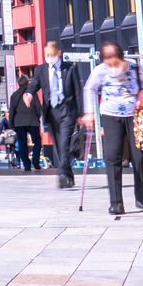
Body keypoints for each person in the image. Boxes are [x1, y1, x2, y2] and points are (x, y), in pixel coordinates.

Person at [82, 40, 143, 216]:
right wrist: (89, 112)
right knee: (112, 157)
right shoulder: (99, 71)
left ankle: (142, 199)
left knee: (139, 157)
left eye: (116, 63)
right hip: (110, 116)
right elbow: (89, 89)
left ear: (122, 58)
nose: (113, 68)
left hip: (135, 116)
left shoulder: (135, 67)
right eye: (109, 64)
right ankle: (116, 203)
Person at [34, 39, 85, 189]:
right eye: (46, 55)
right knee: (58, 146)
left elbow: (77, 92)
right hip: (51, 112)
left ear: (59, 53)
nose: (49, 57)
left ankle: (62, 175)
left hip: (67, 110)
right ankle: (69, 176)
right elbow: (34, 85)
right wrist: (29, 94)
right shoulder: (41, 70)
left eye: (52, 54)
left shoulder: (70, 68)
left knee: (64, 143)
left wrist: (79, 114)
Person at [7, 72, 43, 171]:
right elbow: (38, 108)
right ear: (27, 83)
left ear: (19, 84)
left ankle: (27, 164)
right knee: (37, 141)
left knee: (22, 143)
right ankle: (36, 159)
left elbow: (12, 110)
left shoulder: (14, 95)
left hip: (19, 123)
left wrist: (11, 123)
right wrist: (37, 117)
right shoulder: (32, 94)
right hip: (32, 121)